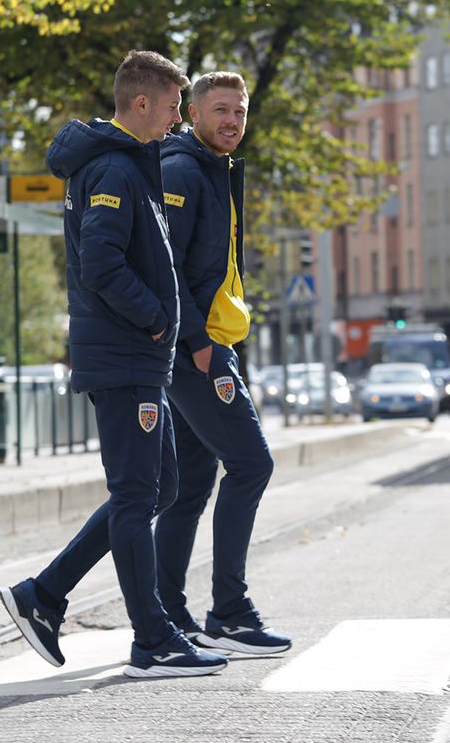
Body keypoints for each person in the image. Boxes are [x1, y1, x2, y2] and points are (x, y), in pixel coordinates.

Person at [0, 51, 227, 679]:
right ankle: (151, 640)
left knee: (164, 487)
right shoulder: (112, 169)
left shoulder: (131, 164)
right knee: (136, 496)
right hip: (127, 356)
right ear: (143, 103)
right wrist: (157, 317)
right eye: (176, 103)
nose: (182, 116)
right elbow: (100, 264)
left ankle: (43, 594)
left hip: (137, 357)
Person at [158, 71, 291, 655]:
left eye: (239, 111)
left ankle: (168, 612)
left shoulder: (216, 169)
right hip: (199, 350)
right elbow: (167, 270)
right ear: (192, 112)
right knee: (251, 464)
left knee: (190, 488)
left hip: (207, 344)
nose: (232, 121)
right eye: (220, 111)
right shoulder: (185, 171)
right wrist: (201, 346)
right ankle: (230, 611)